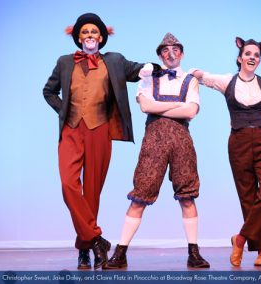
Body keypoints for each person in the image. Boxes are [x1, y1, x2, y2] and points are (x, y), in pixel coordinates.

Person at [43, 13, 146, 270]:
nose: (90, 36)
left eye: (94, 32)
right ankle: (96, 238)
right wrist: (64, 111)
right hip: (72, 129)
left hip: (100, 129)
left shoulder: (114, 61)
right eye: (85, 32)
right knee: (69, 185)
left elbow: (137, 70)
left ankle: (84, 251)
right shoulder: (65, 62)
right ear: (79, 37)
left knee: (91, 193)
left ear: (101, 37)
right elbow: (48, 90)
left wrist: (158, 68)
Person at [192, 37, 261, 267]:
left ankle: (240, 238)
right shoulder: (227, 82)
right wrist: (190, 72)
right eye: (248, 53)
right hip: (239, 142)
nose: (252, 57)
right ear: (239, 58)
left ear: (258, 60)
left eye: (256, 55)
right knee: (248, 199)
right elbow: (199, 75)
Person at [102, 33, 210, 270]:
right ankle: (120, 253)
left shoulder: (190, 79)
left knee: (187, 195)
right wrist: (176, 105)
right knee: (141, 193)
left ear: (181, 53)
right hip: (154, 140)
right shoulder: (149, 76)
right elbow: (145, 106)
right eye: (165, 51)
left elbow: (191, 112)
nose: (171, 54)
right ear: (160, 54)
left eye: (175, 50)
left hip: (182, 140)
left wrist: (165, 108)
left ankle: (194, 253)